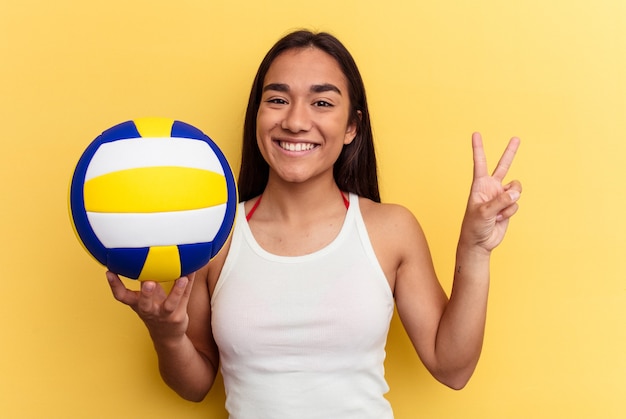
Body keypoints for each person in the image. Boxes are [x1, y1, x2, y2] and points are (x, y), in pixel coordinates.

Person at [106, 30, 522, 418]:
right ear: (257, 116)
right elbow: (195, 385)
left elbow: (452, 368)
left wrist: (475, 250)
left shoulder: (391, 230)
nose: (295, 121)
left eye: (322, 102)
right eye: (278, 100)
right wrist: (166, 334)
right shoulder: (216, 234)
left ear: (352, 127)